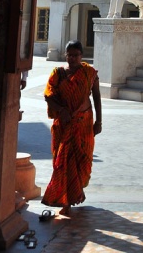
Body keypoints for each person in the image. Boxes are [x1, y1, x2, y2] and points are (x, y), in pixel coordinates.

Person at [42, 40, 102, 217]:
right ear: (65, 55)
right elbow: (48, 95)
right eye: (69, 55)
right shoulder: (58, 74)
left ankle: (75, 192)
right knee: (63, 162)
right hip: (64, 124)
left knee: (82, 161)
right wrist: (61, 110)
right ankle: (65, 201)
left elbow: (97, 97)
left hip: (83, 124)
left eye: (76, 55)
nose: (72, 58)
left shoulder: (89, 73)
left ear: (81, 56)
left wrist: (99, 122)